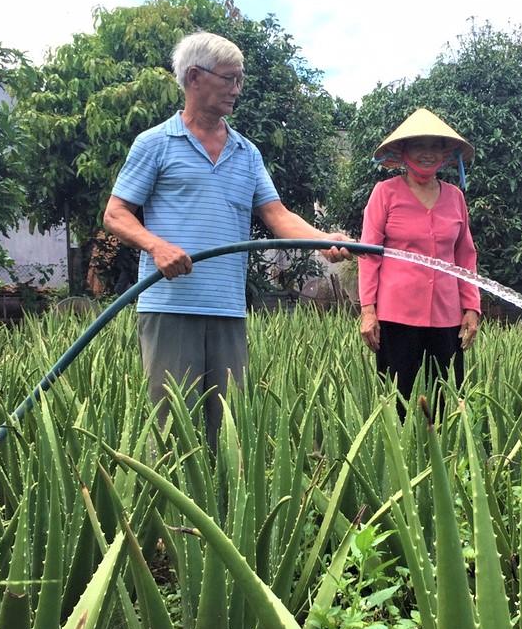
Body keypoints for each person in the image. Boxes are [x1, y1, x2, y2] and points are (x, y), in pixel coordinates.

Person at [103, 31, 349, 446]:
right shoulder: (155, 144)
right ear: (195, 77)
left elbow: (277, 215)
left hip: (228, 309)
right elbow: (116, 214)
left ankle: (222, 511)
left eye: (240, 80)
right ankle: (169, 513)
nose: (237, 90)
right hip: (171, 307)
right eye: (229, 79)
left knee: (229, 430)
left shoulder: (246, 152)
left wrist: (322, 239)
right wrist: (156, 245)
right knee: (172, 430)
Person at [358, 108, 481, 412]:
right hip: (397, 316)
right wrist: (368, 311)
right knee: (397, 404)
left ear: (445, 153)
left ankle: (446, 458)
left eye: (434, 146)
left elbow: (465, 255)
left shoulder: (455, 197)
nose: (427, 154)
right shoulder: (385, 193)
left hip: (446, 317)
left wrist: (472, 308)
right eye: (418, 146)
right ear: (403, 152)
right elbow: (369, 255)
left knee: (447, 402)